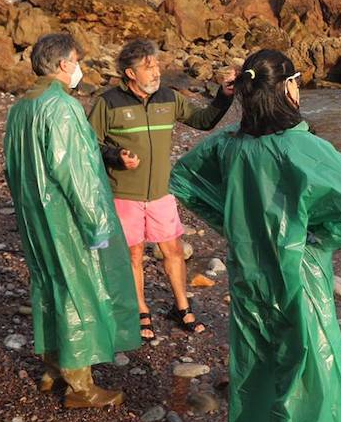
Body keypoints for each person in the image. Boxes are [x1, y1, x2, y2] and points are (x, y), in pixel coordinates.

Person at [170, 49, 341, 422]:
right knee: (300, 369)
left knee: (253, 364)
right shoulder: (299, 146)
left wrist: (232, 225)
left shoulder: (230, 146)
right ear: (287, 88)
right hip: (296, 274)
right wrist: (320, 237)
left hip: (248, 274)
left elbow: (183, 178)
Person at [3, 32, 141, 408]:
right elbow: (75, 171)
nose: (79, 67)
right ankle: (80, 385)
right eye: (77, 60)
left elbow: (11, 168)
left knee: (48, 286)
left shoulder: (21, 107)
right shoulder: (61, 107)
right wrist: (96, 222)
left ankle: (53, 366)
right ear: (64, 64)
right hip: (64, 216)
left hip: (35, 216)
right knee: (75, 291)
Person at [88, 38, 235, 340]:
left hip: (160, 193)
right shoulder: (108, 102)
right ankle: (141, 309)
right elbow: (90, 143)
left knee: (174, 250)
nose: (156, 72)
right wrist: (116, 156)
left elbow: (203, 120)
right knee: (133, 254)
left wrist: (224, 97)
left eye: (156, 65)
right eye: (148, 67)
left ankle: (181, 307)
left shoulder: (167, 97)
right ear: (130, 74)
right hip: (123, 194)